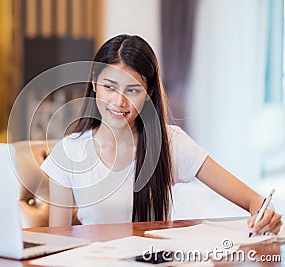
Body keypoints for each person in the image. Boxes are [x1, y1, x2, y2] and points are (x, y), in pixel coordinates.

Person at [40, 34, 282, 234]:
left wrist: (264, 213)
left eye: (133, 90)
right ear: (94, 83)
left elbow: (255, 201)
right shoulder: (69, 151)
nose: (118, 101)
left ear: (148, 94)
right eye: (109, 87)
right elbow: (58, 242)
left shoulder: (170, 143)